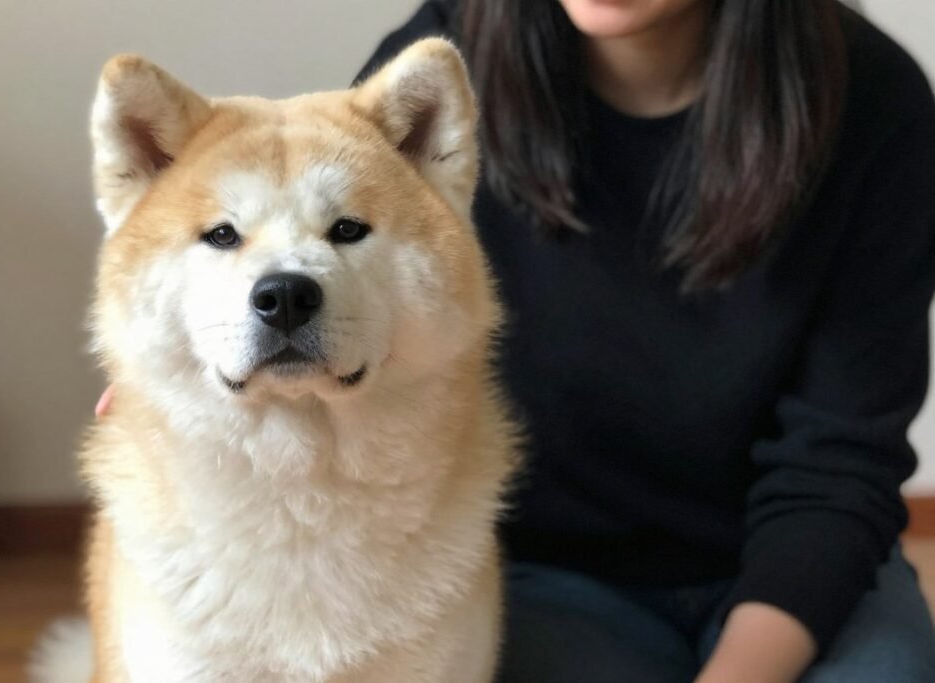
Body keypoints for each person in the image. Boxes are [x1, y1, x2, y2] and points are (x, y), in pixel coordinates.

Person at [97, 1, 935, 680]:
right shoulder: (437, 61)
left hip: (794, 560)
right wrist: (165, 390)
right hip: (550, 570)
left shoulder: (872, 103)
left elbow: (842, 458)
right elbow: (287, 250)